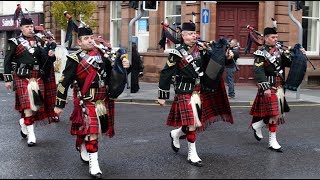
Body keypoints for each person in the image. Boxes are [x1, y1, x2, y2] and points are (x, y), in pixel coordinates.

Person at [54, 26, 130, 178]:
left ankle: (83, 144)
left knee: (93, 131)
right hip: (86, 100)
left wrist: (124, 61)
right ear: (79, 42)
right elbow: (64, 82)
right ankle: (94, 165)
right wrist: (59, 104)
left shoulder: (102, 54)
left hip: (102, 100)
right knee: (93, 133)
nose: (90, 40)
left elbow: (118, 58)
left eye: (91, 37)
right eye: (86, 38)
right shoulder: (74, 59)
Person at [157, 22, 233, 167]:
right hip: (184, 91)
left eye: (194, 33)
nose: (194, 36)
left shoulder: (201, 50)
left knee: (192, 123)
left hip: (198, 91)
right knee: (192, 123)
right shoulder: (176, 53)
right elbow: (166, 73)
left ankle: (176, 134)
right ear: (183, 35)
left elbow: (214, 63)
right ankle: (192, 154)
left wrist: (226, 57)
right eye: (191, 34)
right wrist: (162, 95)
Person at [249, 27, 306, 153]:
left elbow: (289, 63)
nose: (276, 39)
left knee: (276, 113)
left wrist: (299, 55)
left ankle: (257, 126)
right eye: (273, 37)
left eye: (276, 37)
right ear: (266, 38)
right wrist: (265, 87)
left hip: (279, 87)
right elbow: (258, 71)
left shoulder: (279, 51)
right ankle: (272, 141)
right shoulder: (261, 53)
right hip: (269, 86)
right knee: (274, 114)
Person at [3, 17, 56, 147]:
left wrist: (50, 55)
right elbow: (7, 60)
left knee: (35, 107)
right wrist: (8, 79)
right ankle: (31, 135)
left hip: (37, 76)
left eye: (31, 26)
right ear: (21, 28)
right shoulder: (14, 42)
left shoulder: (38, 41)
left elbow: (44, 59)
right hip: (22, 77)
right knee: (28, 106)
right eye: (27, 27)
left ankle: (24, 123)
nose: (30, 29)